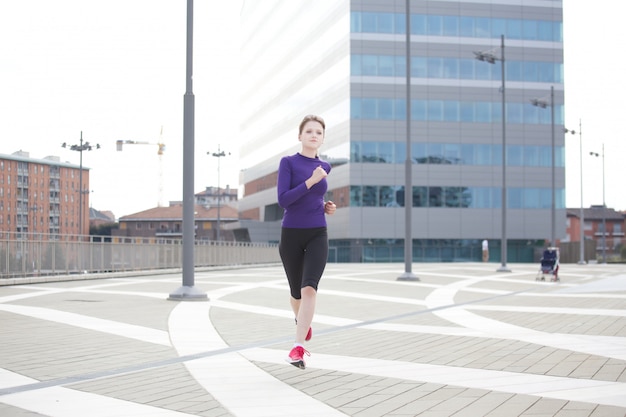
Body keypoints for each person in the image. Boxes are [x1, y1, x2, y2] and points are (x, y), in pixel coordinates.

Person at [277, 114, 336, 369]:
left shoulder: (326, 166)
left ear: (322, 139)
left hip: (317, 233)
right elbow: (284, 200)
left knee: (309, 287)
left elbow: (312, 199)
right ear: (300, 136)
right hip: (291, 234)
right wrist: (311, 181)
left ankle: (298, 347)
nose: (314, 135)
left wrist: (325, 206)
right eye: (309, 131)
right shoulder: (288, 163)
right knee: (295, 293)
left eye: (319, 132)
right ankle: (302, 321)